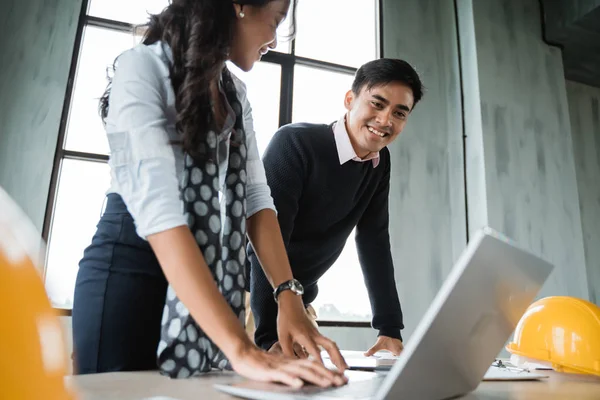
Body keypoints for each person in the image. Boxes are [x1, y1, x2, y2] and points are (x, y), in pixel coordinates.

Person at [72, 0, 348, 388]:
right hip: (129, 273)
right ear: (238, 7)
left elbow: (256, 198)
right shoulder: (141, 68)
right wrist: (241, 348)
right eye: (276, 20)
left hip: (200, 276)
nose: (275, 38)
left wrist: (289, 296)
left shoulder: (235, 92)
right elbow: (160, 214)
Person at [246, 58, 424, 357]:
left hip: (296, 301)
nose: (385, 120)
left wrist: (389, 329)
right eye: (377, 104)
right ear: (349, 99)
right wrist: (268, 335)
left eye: (399, 113)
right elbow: (263, 241)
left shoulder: (379, 164)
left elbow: (374, 240)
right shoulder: (295, 143)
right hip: (250, 298)